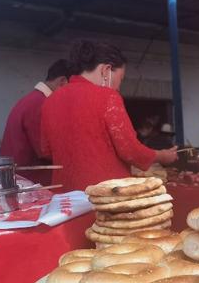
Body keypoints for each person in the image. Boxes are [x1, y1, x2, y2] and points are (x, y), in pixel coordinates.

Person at [41, 40, 177, 191]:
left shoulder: (51, 100)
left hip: (65, 195)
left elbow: (45, 150)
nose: (118, 87)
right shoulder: (107, 96)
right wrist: (162, 156)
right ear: (106, 70)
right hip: (105, 193)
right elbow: (130, 150)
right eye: (121, 79)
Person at [0, 59, 70, 166]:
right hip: (30, 177)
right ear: (62, 82)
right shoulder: (41, 104)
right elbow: (45, 150)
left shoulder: (34, 99)